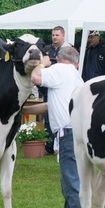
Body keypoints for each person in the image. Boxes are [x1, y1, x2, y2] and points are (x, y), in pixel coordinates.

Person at [31, 45, 84, 208]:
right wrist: (21, 111)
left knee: (72, 183)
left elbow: (36, 78)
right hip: (76, 131)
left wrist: (42, 63)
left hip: (67, 133)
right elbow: (50, 106)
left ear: (59, 58)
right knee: (69, 182)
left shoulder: (60, 70)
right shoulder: (75, 76)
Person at [42, 25, 70, 154]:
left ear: (63, 36)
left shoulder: (68, 50)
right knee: (47, 116)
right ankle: (49, 145)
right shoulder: (47, 50)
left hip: (62, 87)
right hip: (48, 85)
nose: (54, 37)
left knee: (61, 114)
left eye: (57, 35)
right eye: (53, 35)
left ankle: (61, 143)